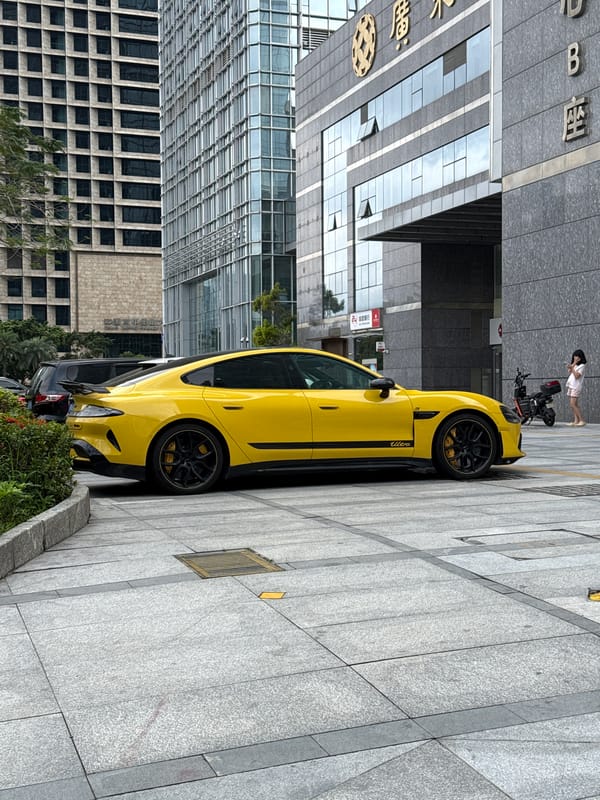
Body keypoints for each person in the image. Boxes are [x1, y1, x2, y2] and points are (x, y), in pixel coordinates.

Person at [566, 349, 587, 426]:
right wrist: (573, 364)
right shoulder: (575, 365)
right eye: (575, 356)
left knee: (572, 404)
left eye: (577, 356)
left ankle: (581, 420)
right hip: (572, 385)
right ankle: (576, 421)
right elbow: (569, 371)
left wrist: (572, 368)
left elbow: (577, 376)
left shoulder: (582, 366)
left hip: (576, 386)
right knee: (575, 404)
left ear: (581, 357)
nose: (575, 357)